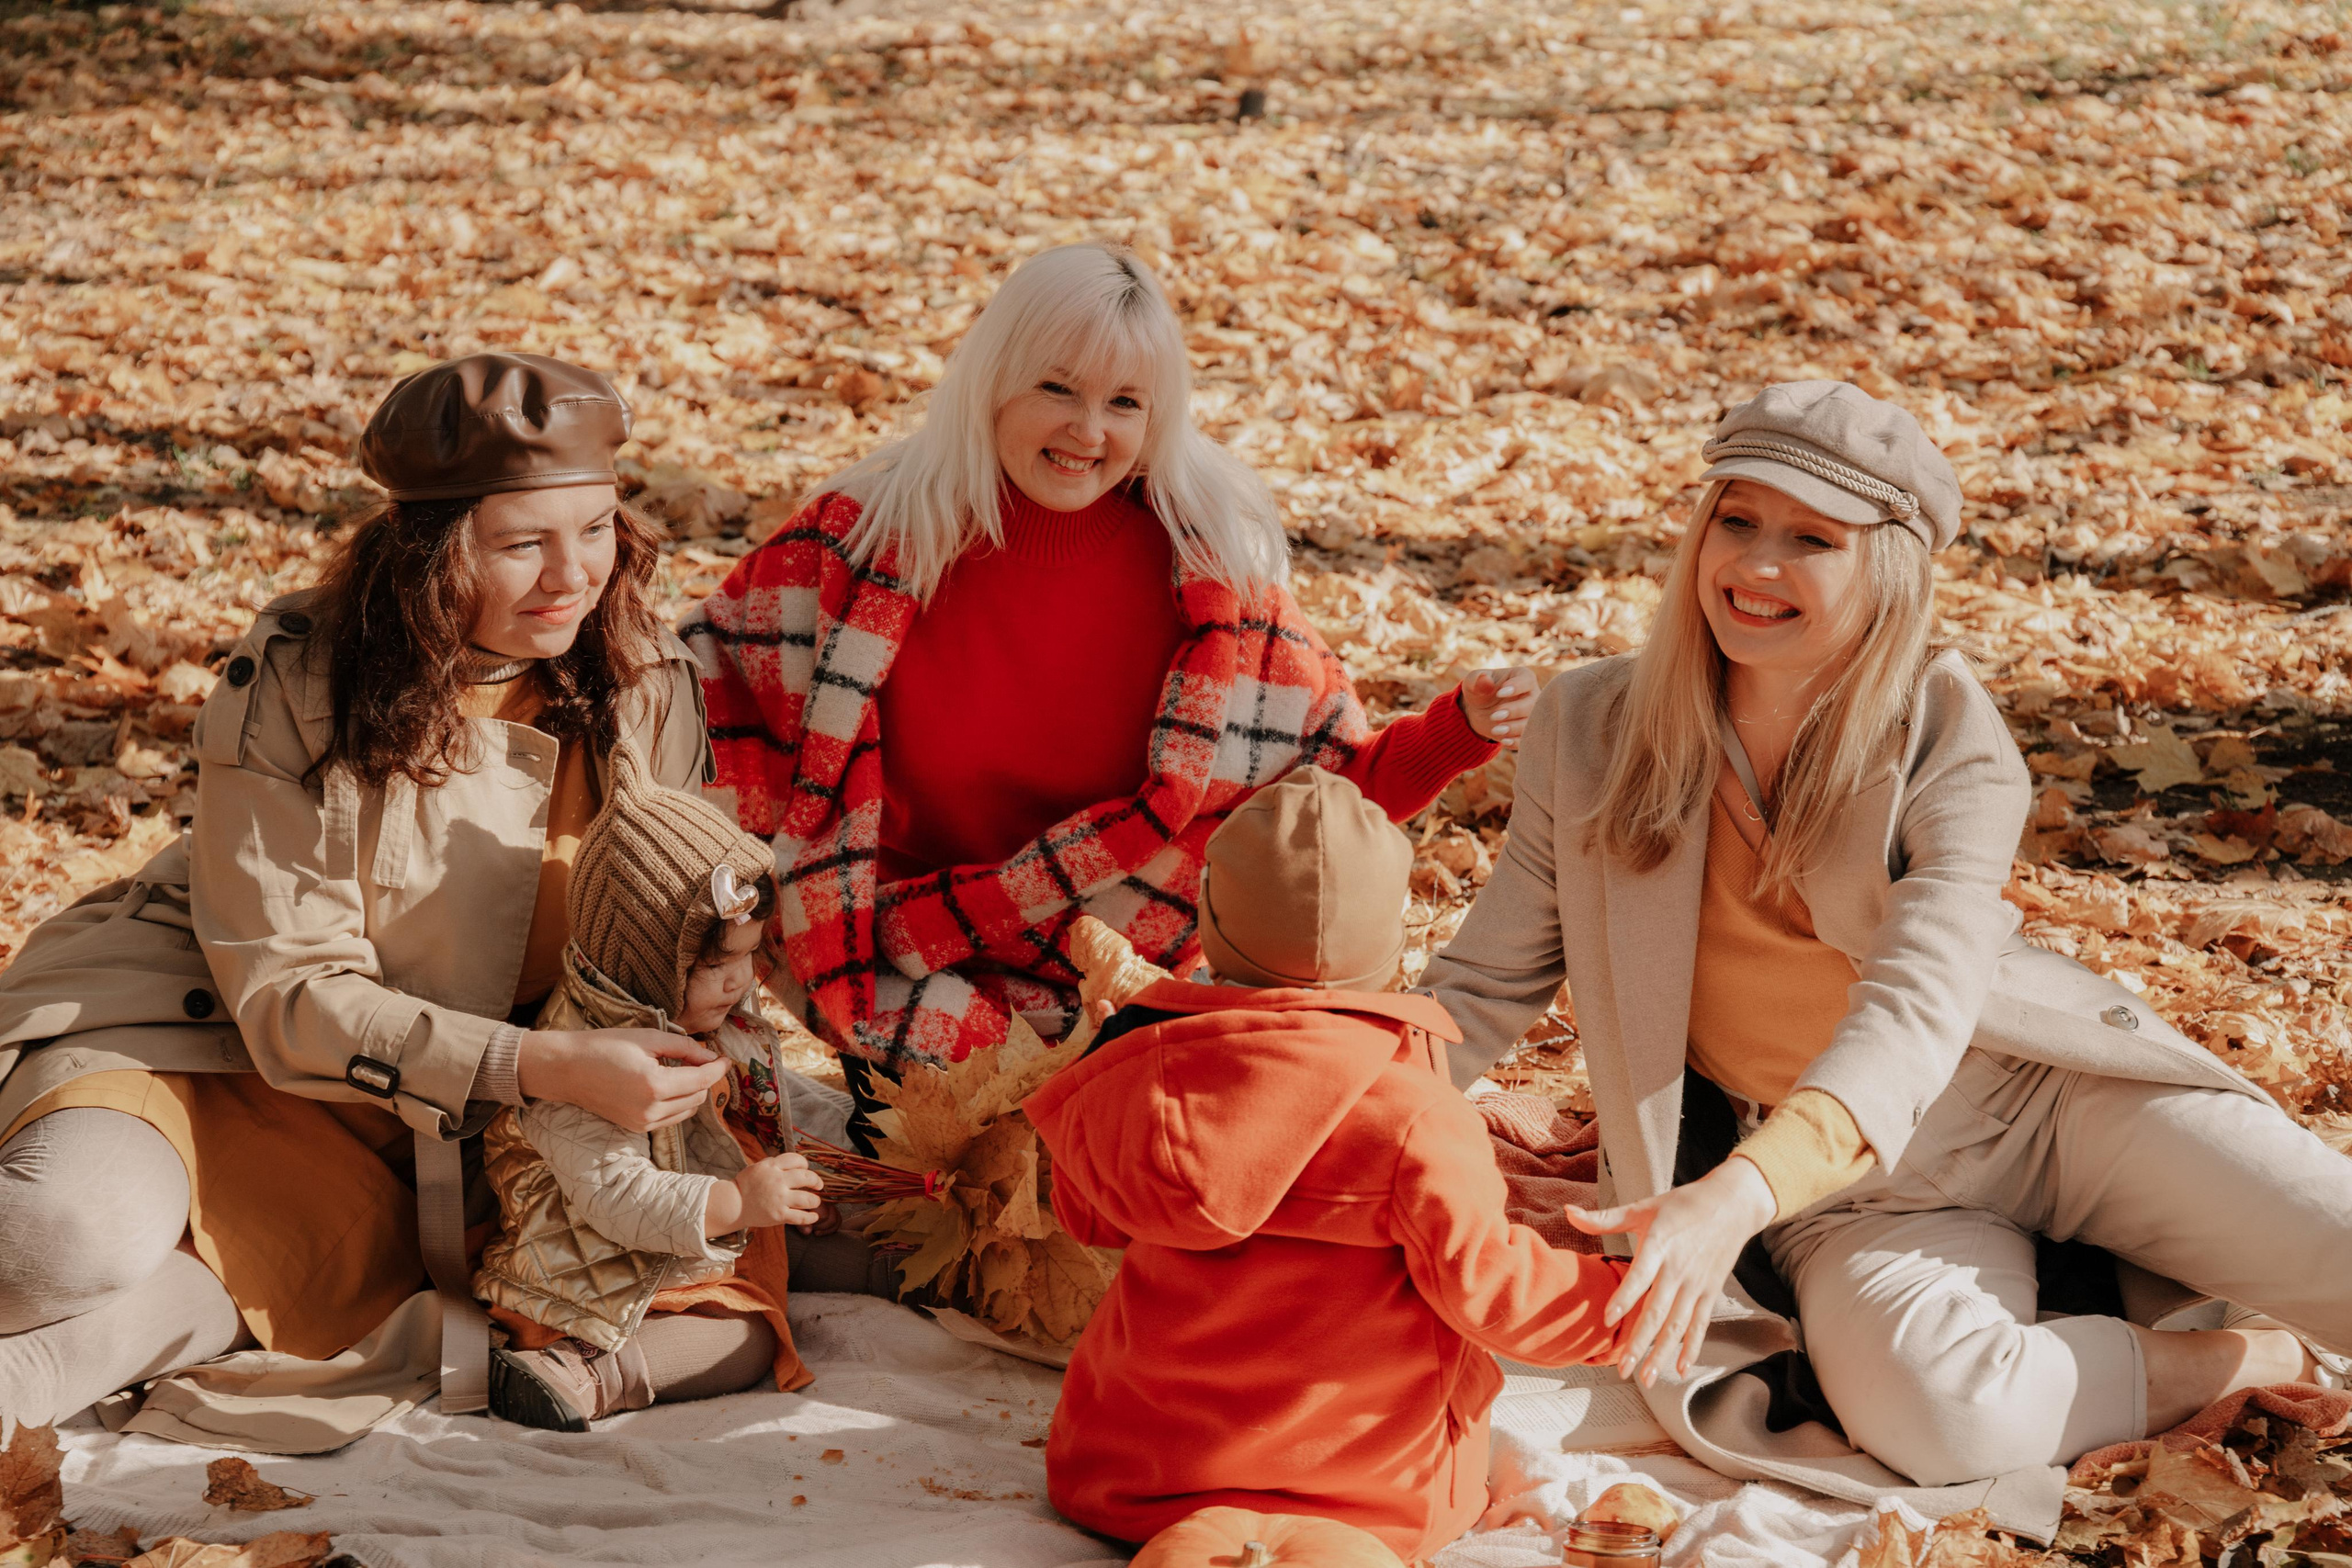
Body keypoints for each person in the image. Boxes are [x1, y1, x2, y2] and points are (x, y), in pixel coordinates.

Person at [1420, 380, 2352, 1522]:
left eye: (1811, 538)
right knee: (1943, 1422)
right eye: (1736, 520)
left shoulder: (1949, 733)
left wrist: (1728, 1201)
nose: (1756, 566)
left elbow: (1915, 1004)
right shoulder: (1591, 727)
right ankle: (2239, 1358)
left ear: (1887, 568)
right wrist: (1318, 1102)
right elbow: (1479, 985)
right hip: (1848, 1198)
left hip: (2047, 1105)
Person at [0, 354, 765, 1437]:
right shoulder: (304, 678)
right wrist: (538, 1065)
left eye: (596, 529)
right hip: (217, 1044)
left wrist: (693, 1015)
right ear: (431, 554)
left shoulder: (642, 674)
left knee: (286, 1286)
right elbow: (290, 991)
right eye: (521, 544)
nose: (573, 576)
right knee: (56, 1242)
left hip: (479, 1115)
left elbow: (666, 916)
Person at [684, 242, 1534, 1134]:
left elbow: (1325, 799)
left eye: (1123, 403)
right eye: (1058, 390)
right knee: (931, 1235)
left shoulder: (1208, 582)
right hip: (899, 987)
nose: (1089, 431)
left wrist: (1460, 730)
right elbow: (699, 687)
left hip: (1119, 990)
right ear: (995, 381)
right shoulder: (869, 541)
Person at [1026, 769, 1629, 1562]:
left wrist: (1104, 1074)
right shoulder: (1418, 1114)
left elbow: (1086, 1214)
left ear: (1210, 924)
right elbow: (1492, 1288)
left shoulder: (1150, 1078)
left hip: (1138, 1470)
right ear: (1395, 938)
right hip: (1370, 1489)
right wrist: (1623, 1298)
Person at [476, 737, 892, 1429]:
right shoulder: (584, 1062)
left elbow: (743, 1119)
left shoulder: (707, 1010)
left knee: (825, 1243)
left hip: (708, 1218)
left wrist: (773, 1188)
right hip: (601, 1264)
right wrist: (732, 1200)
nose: (740, 979)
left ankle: (919, 1274)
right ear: (646, 964)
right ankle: (583, 1369)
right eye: (717, 962)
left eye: (749, 955)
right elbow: (613, 1194)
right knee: (750, 1337)